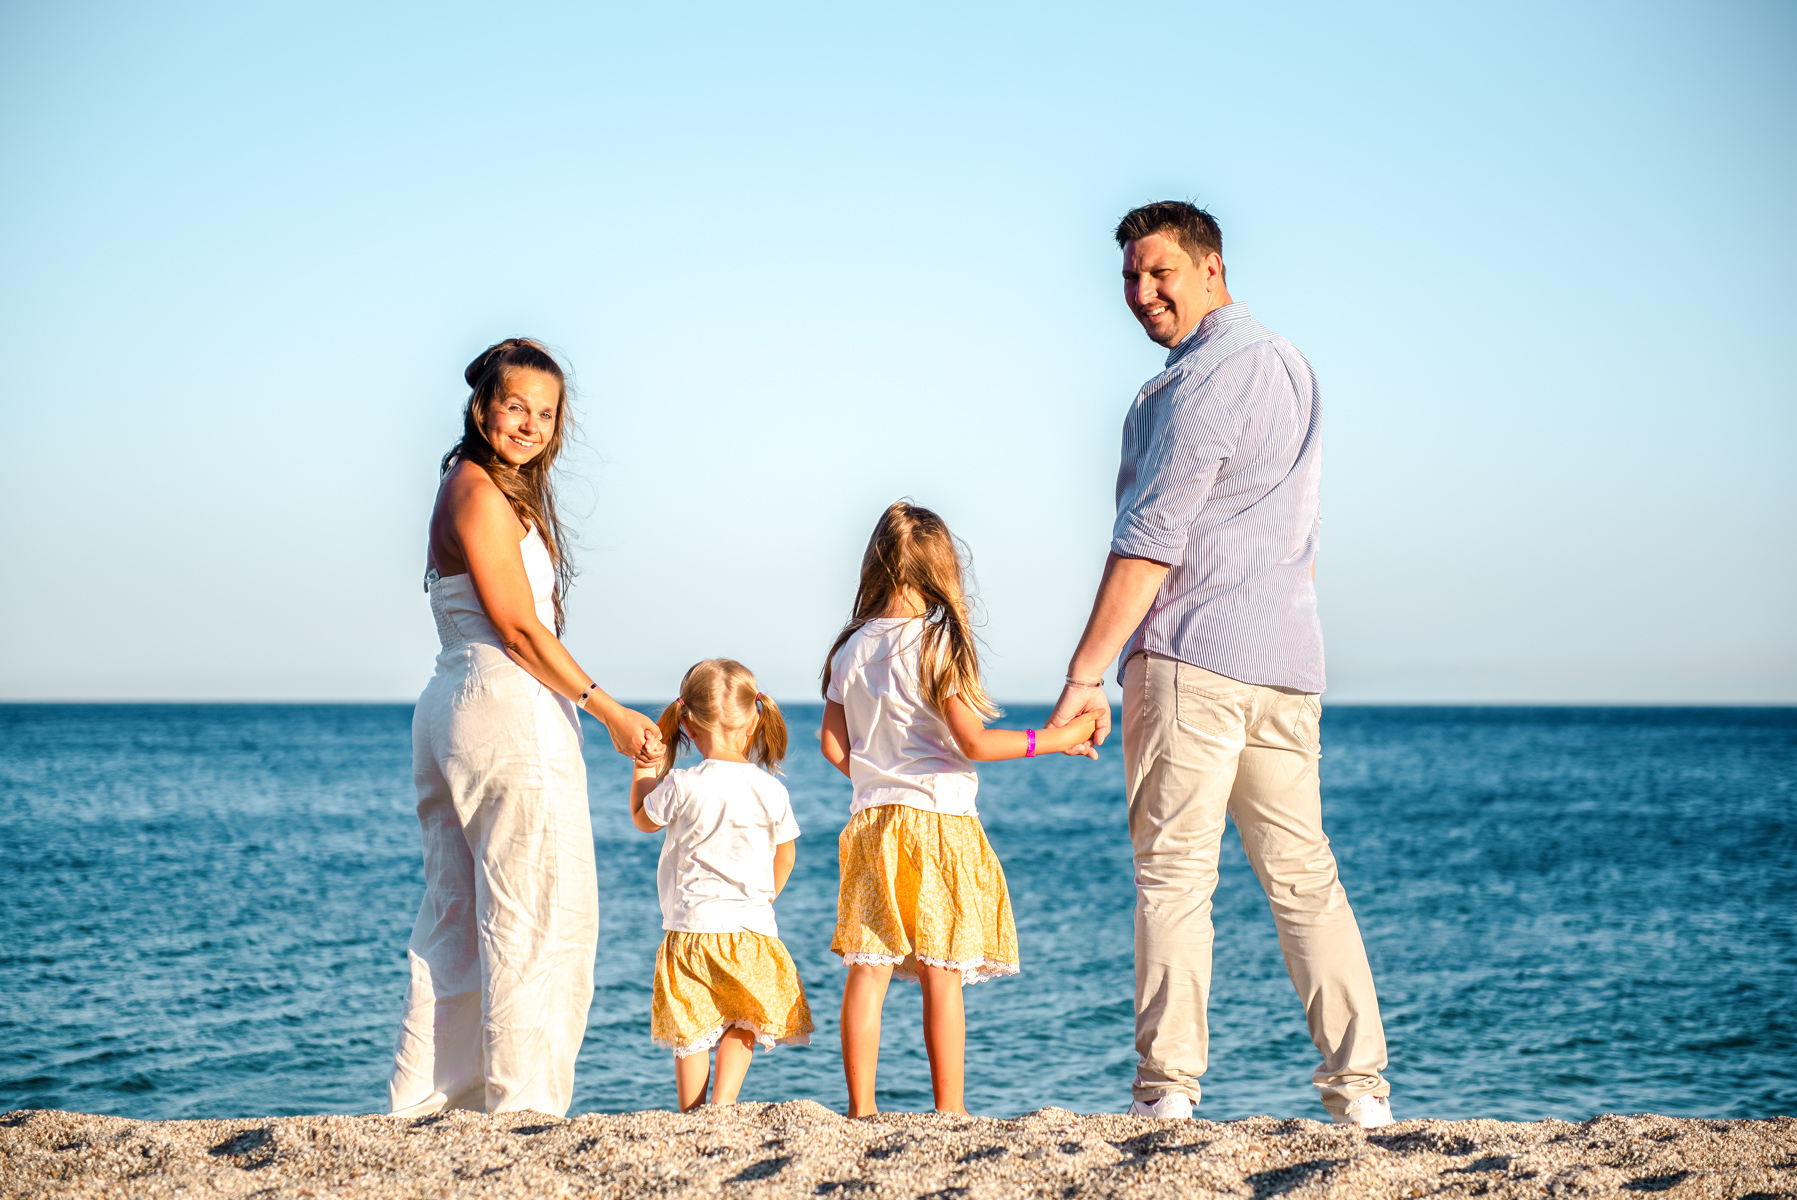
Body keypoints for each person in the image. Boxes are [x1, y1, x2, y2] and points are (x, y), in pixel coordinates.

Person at [1047, 203, 1395, 1127]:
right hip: (1284, 659)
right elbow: (1298, 529)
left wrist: (1086, 675)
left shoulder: (1201, 380)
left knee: (1173, 875)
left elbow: (1150, 538)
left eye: (1159, 272)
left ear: (1211, 268)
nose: (1142, 292)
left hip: (1193, 655)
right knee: (1302, 877)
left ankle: (1166, 1094)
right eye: (1129, 277)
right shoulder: (1293, 367)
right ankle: (1360, 1092)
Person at [389, 337, 663, 1118]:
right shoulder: (478, 493)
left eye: (545, 413)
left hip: (456, 706)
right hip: (504, 710)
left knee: (458, 914)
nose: (531, 424)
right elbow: (518, 628)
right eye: (516, 406)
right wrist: (608, 708)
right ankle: (522, 1109)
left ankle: (431, 1103)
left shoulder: (464, 485)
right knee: (534, 914)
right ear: (483, 408)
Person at [820, 501, 1099, 1117]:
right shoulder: (940, 639)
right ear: (944, 568)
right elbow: (974, 742)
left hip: (873, 823)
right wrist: (1054, 740)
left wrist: (878, 777)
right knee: (942, 970)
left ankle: (860, 1110)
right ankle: (950, 1111)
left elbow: (832, 744)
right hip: (940, 824)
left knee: (870, 966)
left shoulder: (851, 647)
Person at [628, 659, 814, 1111]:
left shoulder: (681, 783)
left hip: (691, 930)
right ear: (754, 720)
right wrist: (767, 895)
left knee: (691, 1031)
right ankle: (723, 1103)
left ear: (686, 724)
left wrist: (642, 767)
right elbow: (786, 853)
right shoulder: (771, 789)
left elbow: (642, 819)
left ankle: (690, 1111)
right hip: (751, 930)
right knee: (743, 1021)